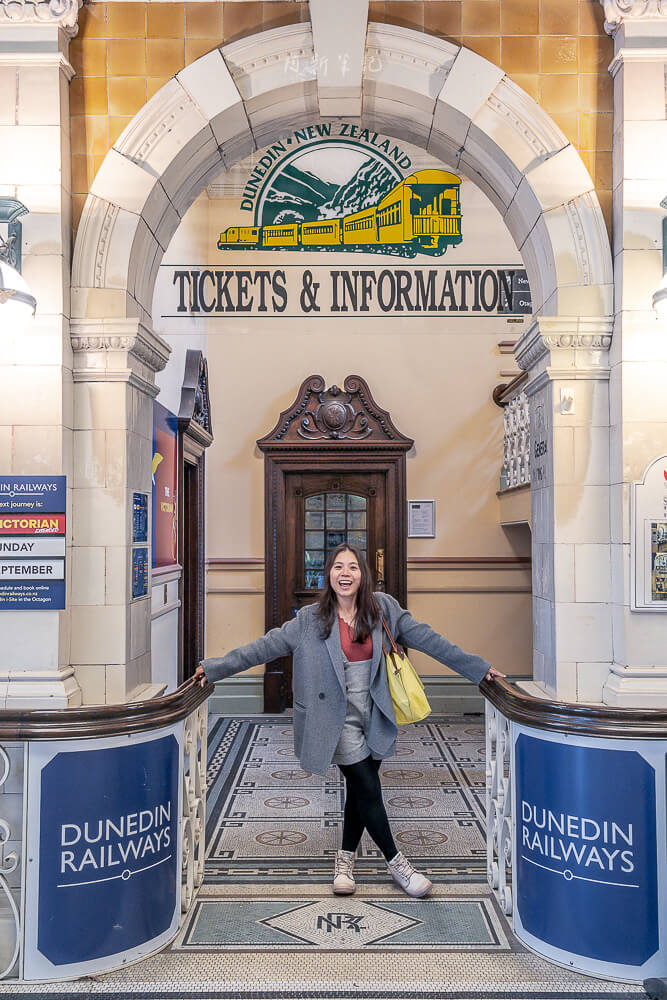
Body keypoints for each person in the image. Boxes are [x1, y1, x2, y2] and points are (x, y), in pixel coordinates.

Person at [195, 542, 504, 899]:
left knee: (359, 790)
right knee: (368, 787)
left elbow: (430, 640)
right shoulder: (309, 619)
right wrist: (216, 668)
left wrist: (477, 669)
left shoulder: (384, 609)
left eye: (353, 567)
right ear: (329, 574)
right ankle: (398, 864)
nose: (345, 573)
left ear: (363, 574)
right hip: (333, 719)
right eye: (339, 567)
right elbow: (263, 647)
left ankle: (344, 861)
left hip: (373, 713)